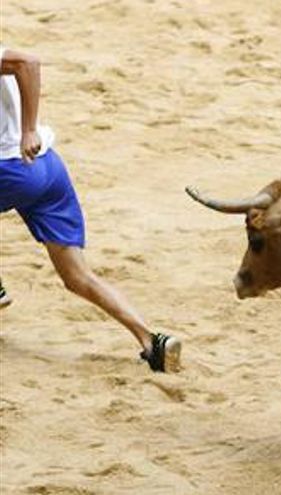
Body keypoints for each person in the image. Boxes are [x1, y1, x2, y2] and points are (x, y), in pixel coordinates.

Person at [0, 45, 181, 372]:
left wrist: (28, 128)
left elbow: (27, 62)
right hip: (48, 167)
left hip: (13, 168)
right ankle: (151, 341)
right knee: (77, 276)